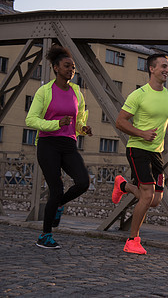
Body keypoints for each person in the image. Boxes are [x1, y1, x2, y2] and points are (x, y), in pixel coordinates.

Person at [112, 53, 168, 255]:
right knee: (147, 194)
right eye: (163, 66)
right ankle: (132, 240)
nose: (167, 70)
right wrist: (142, 133)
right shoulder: (139, 95)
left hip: (156, 152)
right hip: (138, 148)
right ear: (151, 69)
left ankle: (123, 185)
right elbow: (120, 121)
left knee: (155, 200)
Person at [25, 44, 92, 249]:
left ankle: (58, 205)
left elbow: (77, 121)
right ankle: (45, 236)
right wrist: (56, 124)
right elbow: (31, 120)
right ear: (55, 68)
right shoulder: (44, 91)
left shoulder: (77, 92)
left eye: (73, 67)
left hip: (69, 144)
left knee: (83, 182)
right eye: (66, 66)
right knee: (56, 188)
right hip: (48, 144)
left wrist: (83, 128)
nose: (71, 70)